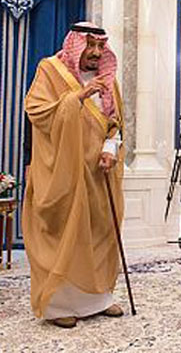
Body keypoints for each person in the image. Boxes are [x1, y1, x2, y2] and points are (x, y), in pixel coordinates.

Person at [23, 22, 125, 328]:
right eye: (89, 45)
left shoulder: (107, 80)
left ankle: (99, 299)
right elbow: (36, 111)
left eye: (100, 47)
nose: (95, 53)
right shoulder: (51, 70)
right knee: (63, 231)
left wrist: (110, 149)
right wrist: (77, 97)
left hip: (99, 172)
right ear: (75, 44)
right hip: (63, 170)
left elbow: (115, 123)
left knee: (98, 232)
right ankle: (58, 306)